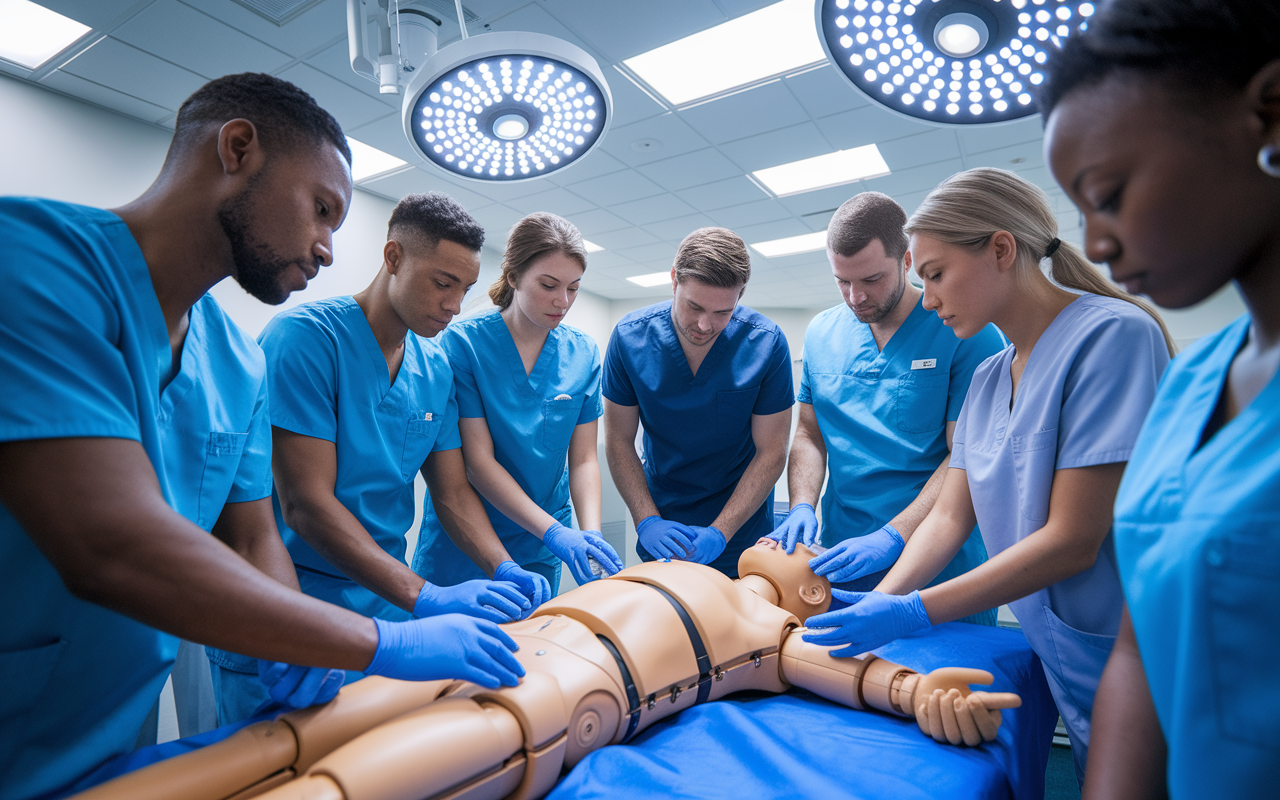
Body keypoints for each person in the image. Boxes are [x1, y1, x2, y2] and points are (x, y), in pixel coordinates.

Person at [0, 74, 523, 800]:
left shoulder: (236, 361)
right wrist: (384, 637)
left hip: (115, 716)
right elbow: (108, 543)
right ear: (237, 149)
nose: (328, 248)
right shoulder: (30, 261)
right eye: (321, 210)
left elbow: (252, 538)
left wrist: (290, 647)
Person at [77, 537, 1026, 800]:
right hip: (498, 642)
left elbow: (859, 677)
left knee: (329, 783)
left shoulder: (773, 632)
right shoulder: (684, 561)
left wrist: (919, 694)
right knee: (280, 738)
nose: (793, 542)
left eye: (808, 559)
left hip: (570, 691)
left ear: (813, 600)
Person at [800, 167, 1175, 784]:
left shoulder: (1113, 336)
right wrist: (883, 597)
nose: (927, 299)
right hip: (1062, 652)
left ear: (1002, 250)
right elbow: (951, 515)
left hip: (1136, 649)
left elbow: (1073, 539)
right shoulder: (989, 377)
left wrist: (910, 611)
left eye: (937, 275)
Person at [1038, 1, 1280, 796]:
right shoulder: (1188, 386)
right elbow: (1141, 650)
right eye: (1081, 211)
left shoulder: (1115, 341)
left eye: (1108, 193)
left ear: (1269, 116)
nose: (1097, 246)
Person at [255, 193, 549, 692]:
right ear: (394, 258)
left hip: (386, 602)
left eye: (466, 289)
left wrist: (503, 565)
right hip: (291, 599)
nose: (455, 306)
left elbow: (453, 493)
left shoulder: (433, 367)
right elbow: (305, 504)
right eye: (442, 283)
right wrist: (427, 597)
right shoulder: (306, 339)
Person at [770, 192, 1005, 628]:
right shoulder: (822, 333)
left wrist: (893, 535)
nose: (855, 296)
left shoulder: (967, 331)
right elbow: (808, 433)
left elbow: (966, 454)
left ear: (907, 260)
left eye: (872, 279)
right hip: (841, 562)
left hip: (940, 566)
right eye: (842, 281)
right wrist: (803, 504)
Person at [413, 212, 623, 595]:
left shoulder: (583, 353)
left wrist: (589, 534)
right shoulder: (465, 345)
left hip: (540, 546)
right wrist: (556, 532)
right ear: (513, 277)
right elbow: (477, 463)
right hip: (467, 540)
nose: (563, 301)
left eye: (573, 288)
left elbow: (583, 459)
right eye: (549, 285)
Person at [603, 227, 794, 578]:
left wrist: (722, 531)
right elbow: (618, 441)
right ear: (674, 281)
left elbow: (772, 452)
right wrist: (646, 520)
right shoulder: (629, 339)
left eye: (723, 312)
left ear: (741, 295)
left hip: (742, 533)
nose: (705, 325)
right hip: (663, 524)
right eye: (694, 306)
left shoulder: (767, 344)